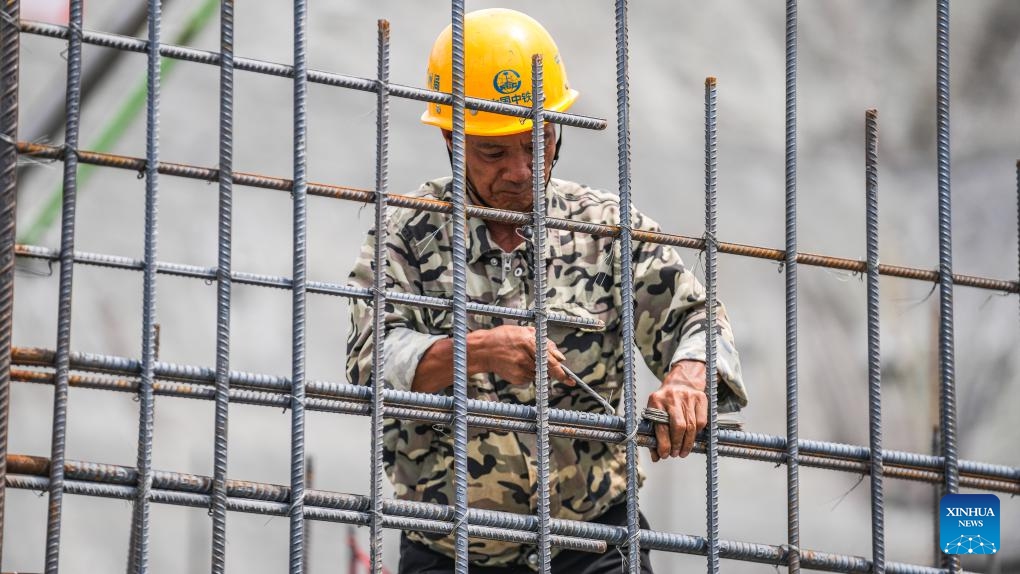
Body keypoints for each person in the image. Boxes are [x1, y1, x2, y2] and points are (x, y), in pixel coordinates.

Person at [346, 8, 748, 573]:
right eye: (494, 152)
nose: (520, 170)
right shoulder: (407, 235)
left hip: (593, 541)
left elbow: (697, 319)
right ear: (449, 136)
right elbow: (369, 364)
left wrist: (687, 377)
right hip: (453, 546)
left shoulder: (605, 230)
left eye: (536, 143)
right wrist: (476, 351)